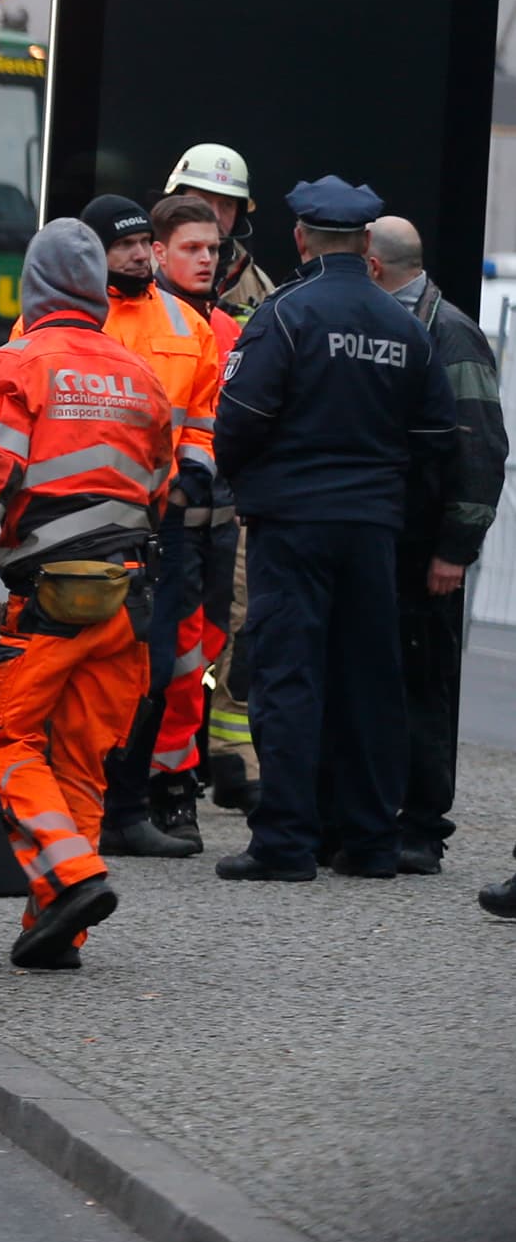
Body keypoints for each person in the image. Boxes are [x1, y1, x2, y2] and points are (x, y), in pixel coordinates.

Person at [0, 218, 177, 970]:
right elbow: (162, 482)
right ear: (99, 293)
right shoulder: (139, 374)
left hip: (51, 598)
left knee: (5, 739)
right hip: (128, 597)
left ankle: (71, 879)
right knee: (80, 759)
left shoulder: (19, 362)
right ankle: (57, 928)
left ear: (34, 290)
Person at [211, 177, 458, 883]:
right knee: (370, 681)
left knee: (289, 676)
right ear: (364, 246)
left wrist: (256, 486)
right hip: (373, 529)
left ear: (301, 238)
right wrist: (388, 493)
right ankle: (372, 843)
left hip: (291, 526)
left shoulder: (285, 316)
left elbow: (239, 420)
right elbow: (439, 433)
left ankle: (286, 842)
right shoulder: (405, 327)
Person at [79, 193, 228, 859]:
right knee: (76, 667)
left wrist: (194, 468)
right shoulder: (73, 317)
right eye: (126, 246)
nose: (141, 255)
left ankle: (126, 807)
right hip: (79, 522)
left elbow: (203, 414)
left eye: (145, 244)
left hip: (159, 521)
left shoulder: (187, 325)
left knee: (152, 664)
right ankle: (78, 804)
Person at [361, 214, 504, 876]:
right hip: (393, 540)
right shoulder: (402, 324)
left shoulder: (449, 334)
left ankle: (422, 826)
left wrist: (456, 548)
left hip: (429, 553)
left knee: (426, 688)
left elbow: (479, 449)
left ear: (375, 265)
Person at [136, 192, 243, 844]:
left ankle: (170, 781)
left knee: (198, 653)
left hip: (216, 523)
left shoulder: (227, 330)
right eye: (192, 249)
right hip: (154, 522)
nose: (206, 259)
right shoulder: (137, 324)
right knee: (156, 657)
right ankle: (159, 786)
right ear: (157, 253)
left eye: (213, 249)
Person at [167, 142, 276, 315]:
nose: (215, 216)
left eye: (227, 205)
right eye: (203, 201)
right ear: (175, 202)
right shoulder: (141, 266)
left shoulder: (259, 286)